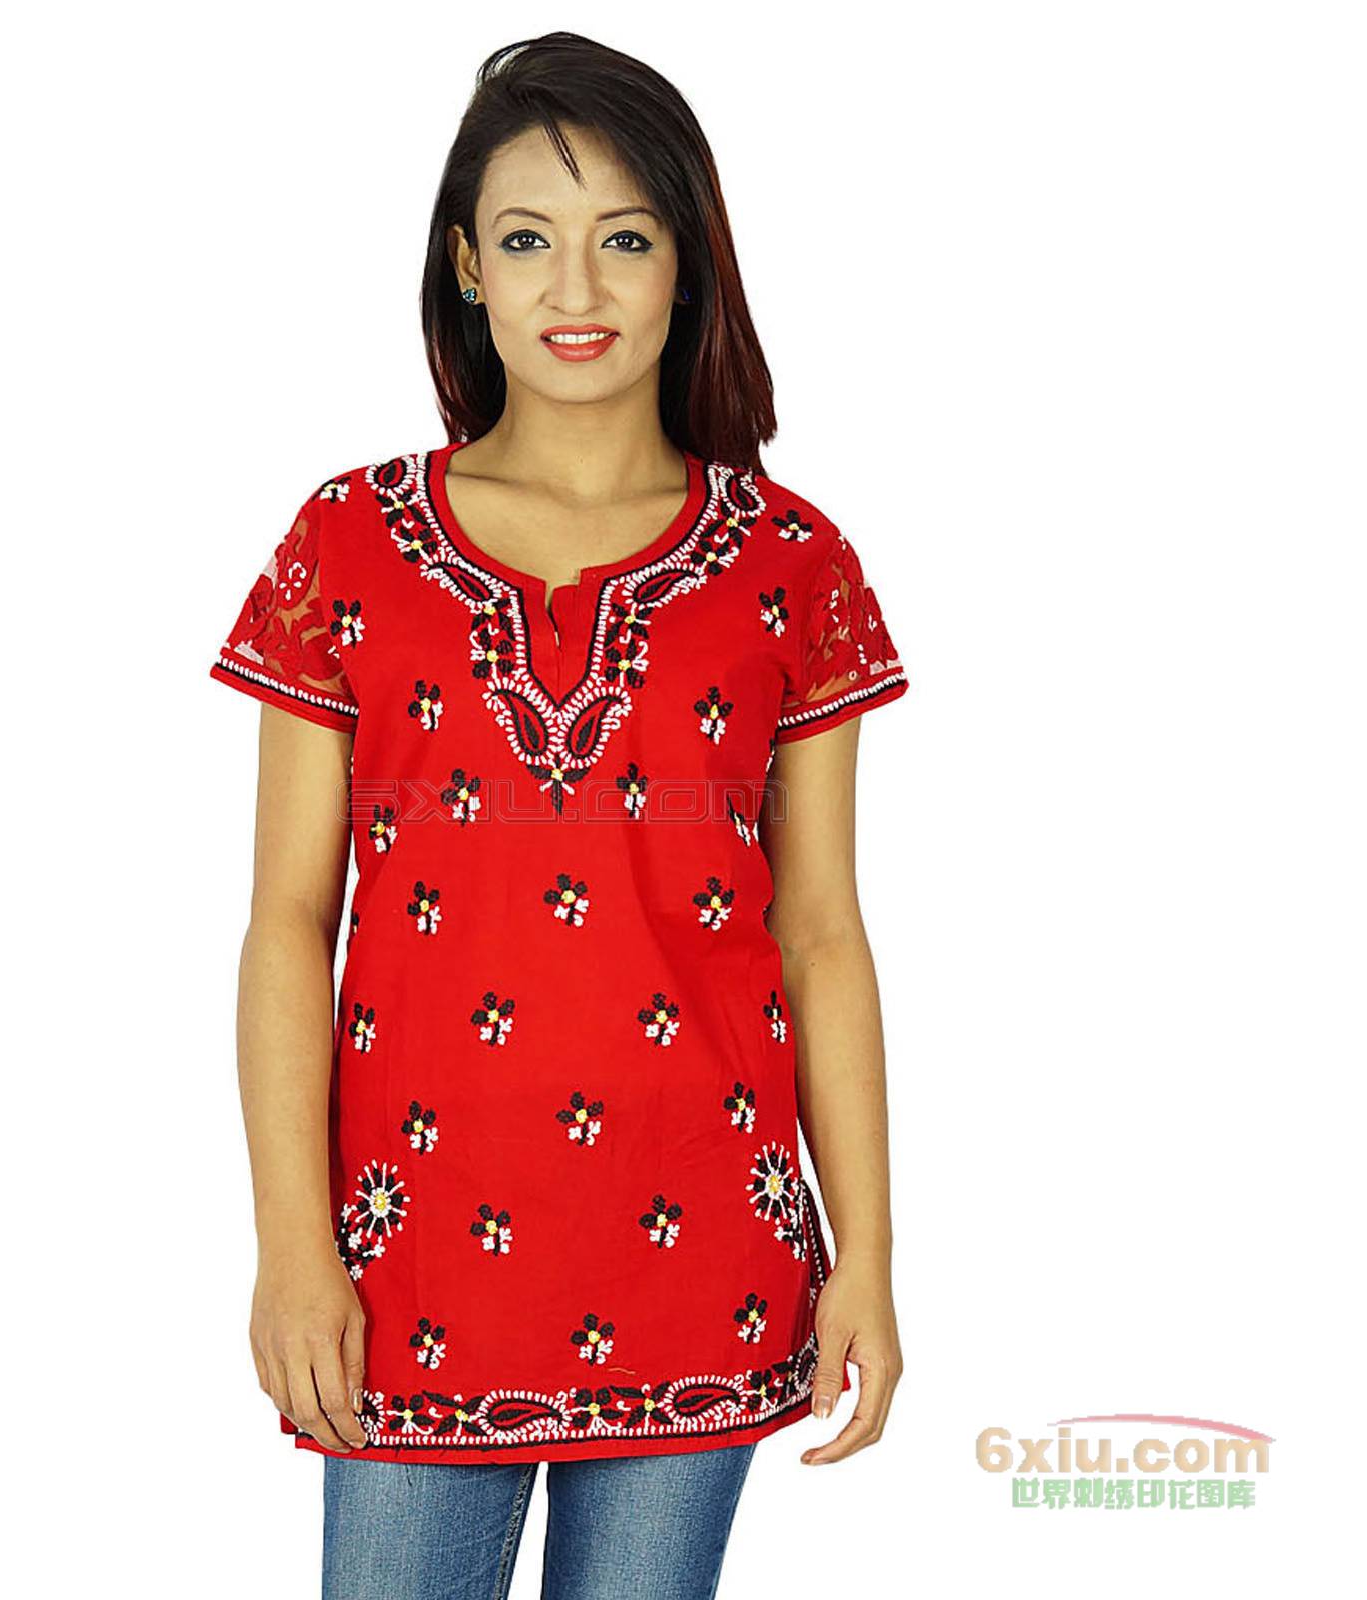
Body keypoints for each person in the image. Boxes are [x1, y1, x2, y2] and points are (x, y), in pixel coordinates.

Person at [209, 31, 909, 1600]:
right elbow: (286, 926)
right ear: (467, 266)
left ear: (688, 265)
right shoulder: (350, 544)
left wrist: (867, 1252)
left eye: (625, 239)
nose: (573, 287)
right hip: (410, 1266)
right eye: (527, 239)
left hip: (706, 1250)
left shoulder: (790, 566)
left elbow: (821, 934)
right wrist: (292, 1247)